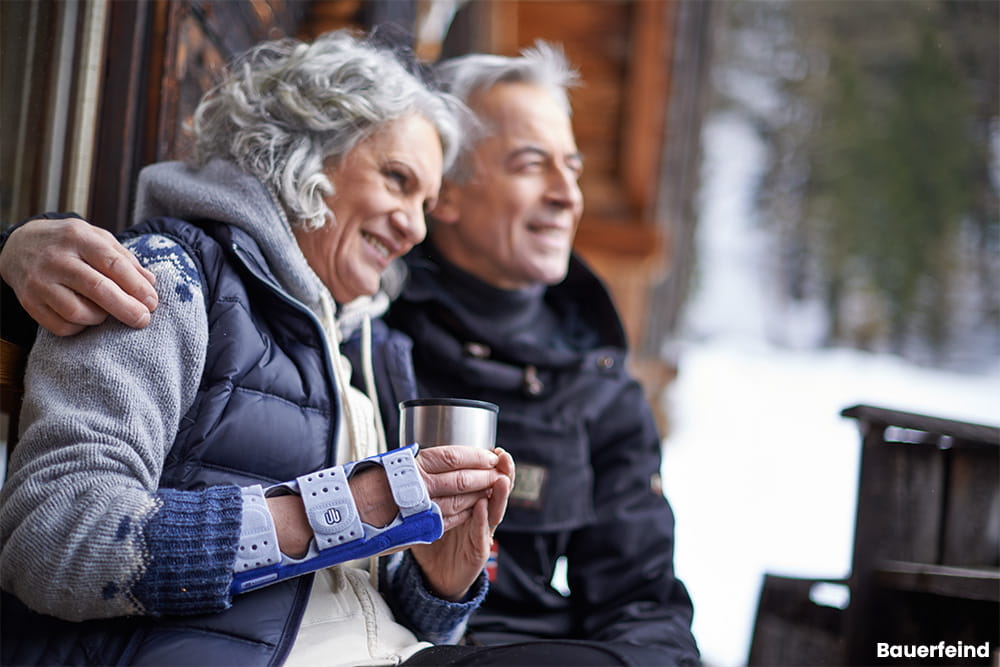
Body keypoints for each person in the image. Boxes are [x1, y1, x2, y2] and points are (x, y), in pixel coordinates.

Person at [2, 43, 700, 667]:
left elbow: (371, 605)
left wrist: (437, 583)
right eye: (398, 180)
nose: (415, 227)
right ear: (302, 152)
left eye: (426, 198)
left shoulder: (372, 346)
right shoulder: (173, 279)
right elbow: (50, 535)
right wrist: (353, 507)